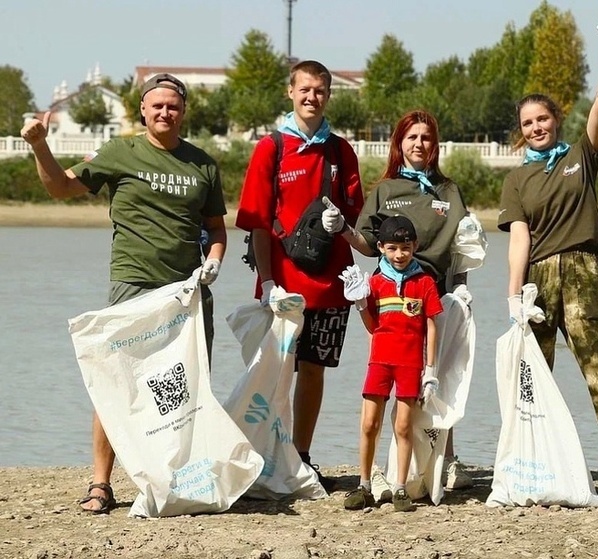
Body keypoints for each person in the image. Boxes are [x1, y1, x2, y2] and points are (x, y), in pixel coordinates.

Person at [20, 73, 228, 513]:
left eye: (173, 106)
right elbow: (61, 189)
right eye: (157, 106)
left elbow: (215, 230)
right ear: (143, 111)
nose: (165, 112)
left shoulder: (203, 164)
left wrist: (213, 264)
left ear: (183, 111)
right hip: (134, 283)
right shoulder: (120, 152)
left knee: (187, 387)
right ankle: (100, 483)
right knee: (117, 382)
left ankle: (182, 478)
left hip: (187, 293)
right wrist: (40, 146)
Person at [497, 5, 598, 504]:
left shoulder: (579, 154)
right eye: (529, 122)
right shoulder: (517, 178)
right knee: (531, 376)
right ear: (522, 129)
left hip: (583, 269)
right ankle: (534, 466)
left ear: (557, 120)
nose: (537, 126)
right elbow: (519, 236)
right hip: (537, 280)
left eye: (543, 118)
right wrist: (513, 294)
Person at [326, 109, 474, 492]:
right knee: (390, 372)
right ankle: (387, 469)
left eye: (426, 137)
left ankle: (448, 459)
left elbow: (463, 245)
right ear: (399, 144)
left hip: (436, 291)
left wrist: (461, 288)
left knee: (440, 375)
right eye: (412, 138)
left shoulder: (449, 191)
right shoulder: (387, 189)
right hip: (392, 295)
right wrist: (342, 228)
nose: (419, 144)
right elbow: (365, 242)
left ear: (435, 144)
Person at [235, 60, 364, 491]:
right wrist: (269, 283)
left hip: (331, 285)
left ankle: (302, 458)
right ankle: (269, 458)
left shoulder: (341, 151)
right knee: (277, 373)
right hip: (284, 287)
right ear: (290, 92)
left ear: (329, 95)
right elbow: (256, 221)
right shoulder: (271, 147)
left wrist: (342, 225)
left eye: (321, 91)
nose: (313, 97)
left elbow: (356, 215)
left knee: (314, 371)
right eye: (305, 89)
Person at [340, 215, 443, 512]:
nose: (400, 254)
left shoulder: (424, 282)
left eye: (406, 248)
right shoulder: (375, 282)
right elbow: (373, 327)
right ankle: (363, 485)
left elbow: (432, 325)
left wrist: (431, 369)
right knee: (369, 424)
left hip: (411, 364)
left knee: (403, 426)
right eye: (393, 248)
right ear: (382, 247)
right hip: (380, 362)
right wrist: (360, 304)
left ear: (415, 246)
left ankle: (399, 488)